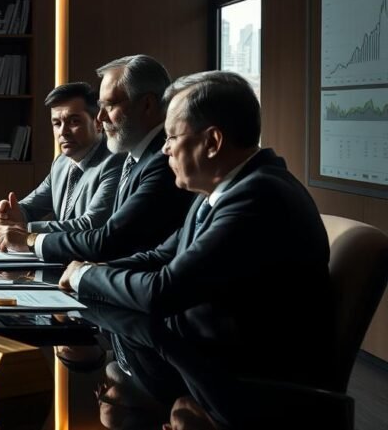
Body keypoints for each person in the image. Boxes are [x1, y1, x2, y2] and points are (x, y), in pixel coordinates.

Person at [60, 71, 333, 388]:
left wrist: (85, 276)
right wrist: (92, 269)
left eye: (172, 137)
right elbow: (162, 256)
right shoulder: (225, 189)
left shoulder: (259, 197)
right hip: (206, 360)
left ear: (212, 142)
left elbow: (164, 291)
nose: (165, 150)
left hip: (249, 386)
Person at [0, 54, 195, 262]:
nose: (101, 117)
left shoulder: (163, 161)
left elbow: (109, 239)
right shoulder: (133, 158)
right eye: (56, 123)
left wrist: (29, 239)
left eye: (110, 105)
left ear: (147, 105)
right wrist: (11, 216)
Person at [0, 81, 123, 234]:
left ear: (98, 123)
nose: (63, 132)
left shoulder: (114, 161)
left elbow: (92, 224)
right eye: (57, 123)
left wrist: (26, 230)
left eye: (74, 121)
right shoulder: (61, 163)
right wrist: (9, 214)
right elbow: (30, 207)